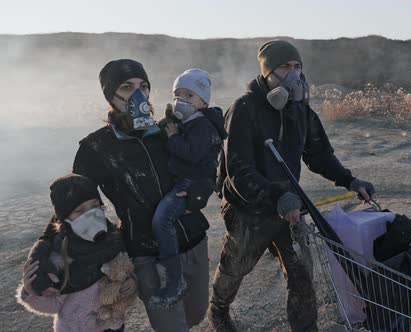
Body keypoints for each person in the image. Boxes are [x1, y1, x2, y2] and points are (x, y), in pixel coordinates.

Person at [27, 59, 211, 331]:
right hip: (149, 252)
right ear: (110, 95)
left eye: (143, 86)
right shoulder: (97, 147)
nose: (138, 94)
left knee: (195, 314)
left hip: (193, 239)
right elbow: (71, 205)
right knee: (172, 326)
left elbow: (204, 168)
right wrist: (42, 252)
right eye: (127, 87)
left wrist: (197, 195)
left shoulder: (167, 132)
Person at [208, 40, 376, 331]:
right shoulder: (244, 109)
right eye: (285, 67)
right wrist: (276, 195)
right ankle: (218, 310)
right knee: (236, 268)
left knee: (301, 274)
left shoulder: (301, 111)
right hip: (249, 207)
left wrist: (349, 179)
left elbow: (320, 155)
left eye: (298, 67)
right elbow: (238, 169)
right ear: (268, 72)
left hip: (289, 208)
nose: (294, 74)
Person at [17, 174, 135, 332]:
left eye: (95, 205)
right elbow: (52, 305)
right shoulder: (61, 257)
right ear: (64, 219)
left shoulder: (113, 240)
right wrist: (32, 291)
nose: (91, 214)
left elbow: (124, 268)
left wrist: (132, 282)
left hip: (111, 325)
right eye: (79, 211)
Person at [149, 68, 226, 309]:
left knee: (162, 220)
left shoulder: (202, 125)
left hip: (189, 183)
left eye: (189, 95)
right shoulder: (188, 122)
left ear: (203, 101)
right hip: (184, 181)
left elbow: (193, 154)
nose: (181, 100)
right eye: (177, 94)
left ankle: (174, 280)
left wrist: (172, 137)